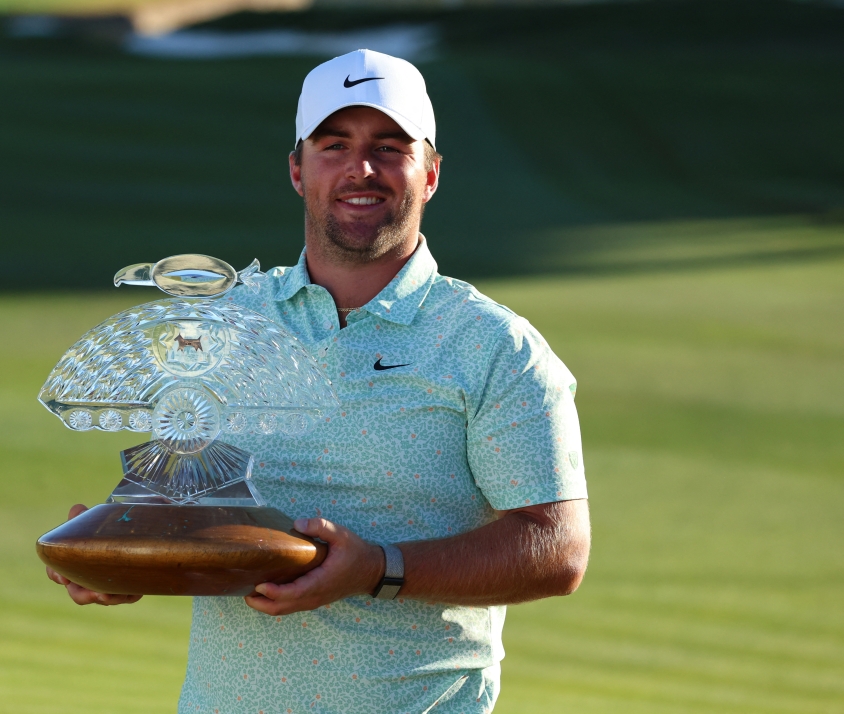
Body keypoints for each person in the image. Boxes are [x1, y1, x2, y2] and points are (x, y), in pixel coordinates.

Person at [48, 49, 590, 714]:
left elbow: (557, 549)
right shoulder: (224, 322)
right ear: (298, 170)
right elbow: (189, 505)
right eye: (334, 145)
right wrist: (125, 557)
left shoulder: (494, 346)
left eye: (390, 147)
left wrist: (379, 570)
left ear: (431, 174)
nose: (361, 168)